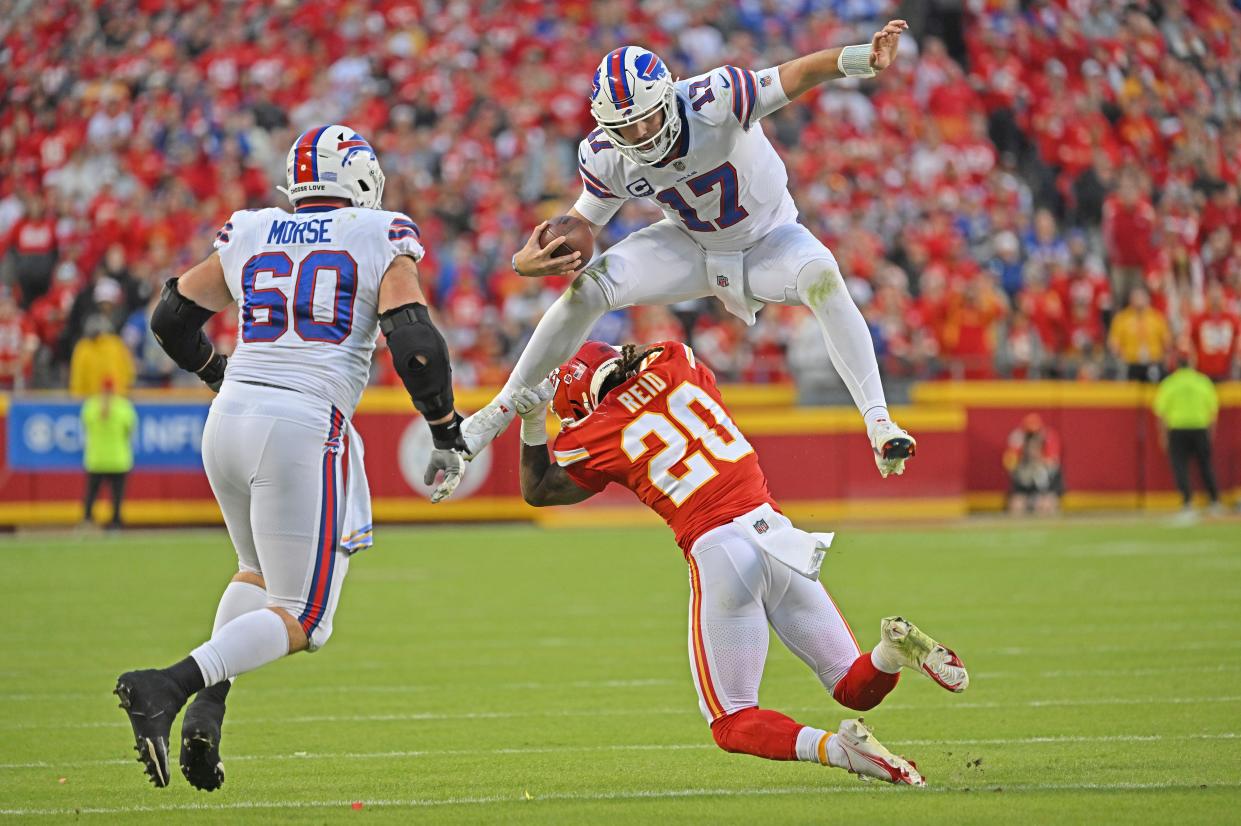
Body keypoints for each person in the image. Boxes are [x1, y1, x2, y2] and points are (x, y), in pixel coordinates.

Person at [114, 125, 469, 791]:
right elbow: (415, 342)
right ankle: (165, 687)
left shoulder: (252, 229)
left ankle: (208, 713)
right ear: (363, 179)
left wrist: (220, 373)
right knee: (305, 619)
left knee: (255, 573)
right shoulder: (379, 233)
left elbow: (171, 317)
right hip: (302, 423)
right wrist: (445, 426)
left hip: (229, 420)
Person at [459, 23, 917, 482]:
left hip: (768, 238)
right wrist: (525, 261)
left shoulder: (716, 98)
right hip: (690, 244)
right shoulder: (605, 154)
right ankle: (498, 411)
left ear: (667, 96)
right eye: (624, 127)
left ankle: (878, 422)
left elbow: (796, 74)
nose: (639, 133)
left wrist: (862, 58)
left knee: (823, 278)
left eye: (646, 117)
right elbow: (584, 224)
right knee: (588, 289)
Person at [513, 340, 969, 786]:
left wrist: (533, 424)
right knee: (853, 685)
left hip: (719, 549)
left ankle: (838, 749)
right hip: (777, 534)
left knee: (730, 720)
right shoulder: (677, 361)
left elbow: (540, 490)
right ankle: (892, 653)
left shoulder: (592, 432)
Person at [1154, 353, 1222, 518]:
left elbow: (1161, 414)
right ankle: (1214, 500)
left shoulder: (1169, 383)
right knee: (1205, 465)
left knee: (1180, 466)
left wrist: (1163, 436)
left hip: (1178, 428)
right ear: (1191, 363)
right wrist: (1211, 432)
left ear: (1176, 364)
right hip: (1200, 427)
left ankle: (1187, 502)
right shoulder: (1202, 381)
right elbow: (1213, 411)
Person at [80, 376, 136, 529]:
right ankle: (116, 523)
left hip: (96, 458)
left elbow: (86, 426)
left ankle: (87, 521)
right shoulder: (124, 407)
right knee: (117, 496)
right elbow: (130, 431)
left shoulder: (91, 406)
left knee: (92, 494)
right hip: (118, 458)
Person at [1002, 414, 1063, 515]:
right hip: (1026, 491)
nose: (1032, 448)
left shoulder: (1049, 443)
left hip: (1045, 492)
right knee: (1016, 504)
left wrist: (1039, 462)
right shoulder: (1018, 444)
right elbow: (1011, 467)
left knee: (1045, 504)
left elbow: (1053, 481)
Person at [1107, 285, 1170, 382]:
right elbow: (1114, 343)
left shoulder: (1157, 318)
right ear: (1130, 299)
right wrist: (1121, 358)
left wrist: (1163, 358)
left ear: (1147, 298)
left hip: (1153, 362)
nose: (1139, 300)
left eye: (1141, 296)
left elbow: (1167, 342)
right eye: (1136, 297)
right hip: (1130, 363)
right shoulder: (1121, 319)